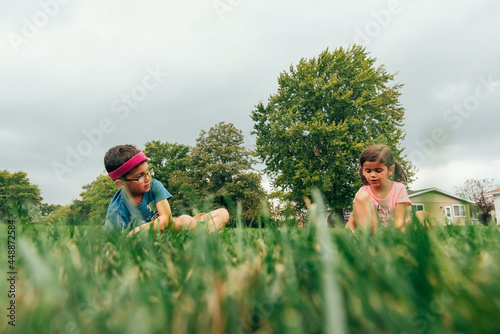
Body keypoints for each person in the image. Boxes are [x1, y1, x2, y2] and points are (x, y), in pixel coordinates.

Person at [103, 144, 229, 235]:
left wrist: (138, 230)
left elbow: (166, 219)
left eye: (148, 171)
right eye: (139, 177)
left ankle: (204, 233)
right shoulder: (116, 210)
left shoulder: (154, 185)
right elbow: (115, 240)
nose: (147, 178)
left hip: (172, 225)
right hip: (159, 234)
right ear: (121, 184)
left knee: (223, 213)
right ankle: (205, 233)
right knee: (185, 221)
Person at [347, 144, 419, 231]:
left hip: (396, 230)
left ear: (390, 170)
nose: (373, 175)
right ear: (363, 171)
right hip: (374, 231)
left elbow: (399, 221)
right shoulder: (363, 191)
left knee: (421, 215)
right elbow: (352, 221)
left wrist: (388, 234)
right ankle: (368, 238)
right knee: (361, 195)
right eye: (368, 171)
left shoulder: (399, 188)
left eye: (378, 170)